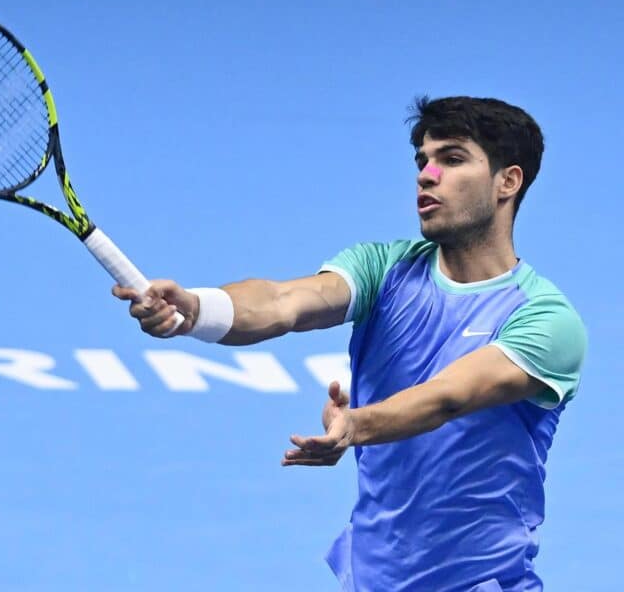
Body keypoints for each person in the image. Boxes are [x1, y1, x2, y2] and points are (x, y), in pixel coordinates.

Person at [112, 96, 587, 591]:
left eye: (452, 159)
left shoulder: (545, 321)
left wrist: (356, 424)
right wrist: (198, 309)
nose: (427, 175)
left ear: (508, 181)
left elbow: (450, 396)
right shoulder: (382, 269)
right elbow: (283, 301)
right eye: (422, 161)